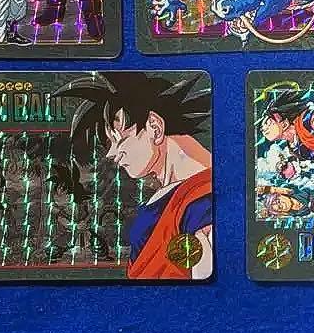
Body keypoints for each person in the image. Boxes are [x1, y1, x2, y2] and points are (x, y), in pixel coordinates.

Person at [59, 73, 213, 280]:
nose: (111, 154)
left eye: (118, 140)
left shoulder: (201, 200)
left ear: (154, 128)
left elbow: (204, 286)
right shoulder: (179, 194)